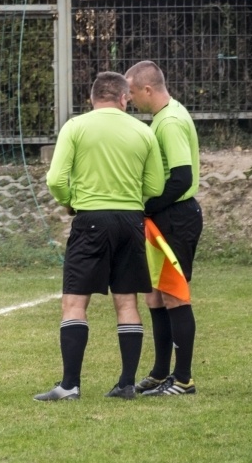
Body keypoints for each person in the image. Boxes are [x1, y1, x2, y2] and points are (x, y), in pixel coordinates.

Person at [34, 71, 165, 402]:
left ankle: (70, 385)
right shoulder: (143, 131)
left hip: (90, 219)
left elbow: (56, 179)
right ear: (123, 98)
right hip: (131, 221)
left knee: (75, 302)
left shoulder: (76, 127)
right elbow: (155, 186)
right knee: (127, 301)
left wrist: (70, 203)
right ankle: (125, 383)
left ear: (92, 99)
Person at [124, 61, 203, 396]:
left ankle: (183, 379)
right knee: (155, 296)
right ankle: (160, 373)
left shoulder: (169, 122)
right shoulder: (165, 115)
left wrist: (147, 207)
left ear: (147, 90)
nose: (128, 98)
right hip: (164, 218)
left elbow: (182, 177)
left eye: (131, 91)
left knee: (173, 295)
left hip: (177, 216)